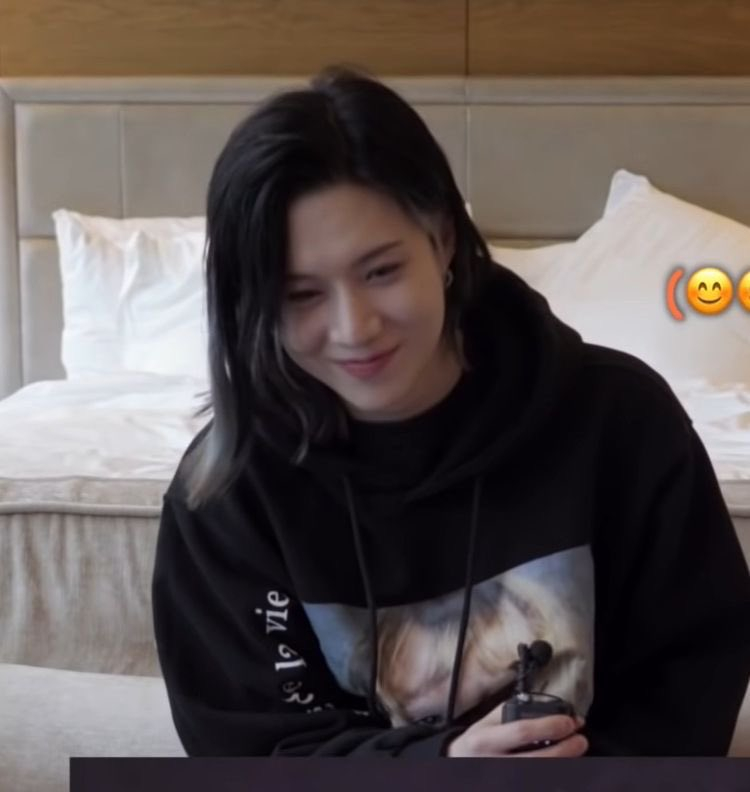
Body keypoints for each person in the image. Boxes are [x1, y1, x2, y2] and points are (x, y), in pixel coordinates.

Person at [151, 66, 750, 758]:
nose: (354, 328)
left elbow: (689, 691)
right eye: (301, 295)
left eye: (381, 271)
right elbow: (246, 752)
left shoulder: (623, 423)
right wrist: (439, 769)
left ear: (442, 241)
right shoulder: (226, 492)